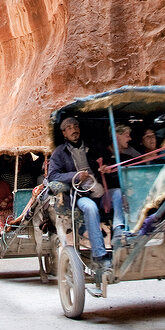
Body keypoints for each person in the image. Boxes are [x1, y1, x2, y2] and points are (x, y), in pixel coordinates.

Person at [48, 117, 119, 275]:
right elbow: (52, 176)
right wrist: (75, 175)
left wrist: (105, 167)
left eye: (76, 126)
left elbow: (106, 160)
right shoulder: (59, 152)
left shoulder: (91, 146)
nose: (74, 129)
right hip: (80, 195)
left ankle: (120, 233)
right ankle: (100, 256)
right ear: (64, 133)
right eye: (69, 128)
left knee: (119, 195)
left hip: (101, 191)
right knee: (90, 208)